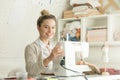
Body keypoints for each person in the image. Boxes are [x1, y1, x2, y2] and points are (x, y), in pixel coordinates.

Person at [24, 10, 64, 77]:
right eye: (46, 27)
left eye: (53, 27)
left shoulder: (56, 46)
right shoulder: (31, 48)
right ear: (38, 28)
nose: (50, 31)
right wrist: (50, 58)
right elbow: (31, 71)